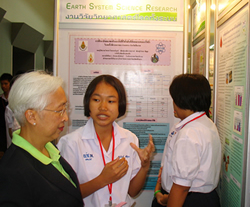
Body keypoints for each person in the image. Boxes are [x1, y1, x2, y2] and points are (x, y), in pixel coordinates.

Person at [58, 74, 155, 207]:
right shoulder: (71, 143)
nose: (103, 107)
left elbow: (132, 192)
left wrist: (144, 167)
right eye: (97, 100)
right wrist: (102, 180)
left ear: (120, 106)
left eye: (110, 101)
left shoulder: (130, 139)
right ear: (88, 103)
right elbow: (64, 194)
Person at [0, 71, 84, 207]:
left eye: (65, 108)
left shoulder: (49, 148)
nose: (65, 118)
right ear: (31, 116)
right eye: (59, 110)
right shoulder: (12, 172)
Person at [152, 73, 221, 207]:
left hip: (188, 200)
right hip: (195, 197)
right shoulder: (204, 123)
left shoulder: (189, 133)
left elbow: (181, 187)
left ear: (181, 100)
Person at [0, 73, 13, 153]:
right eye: (2, 84)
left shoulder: (14, 100)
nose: (3, 86)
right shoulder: (1, 99)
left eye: (6, 84)